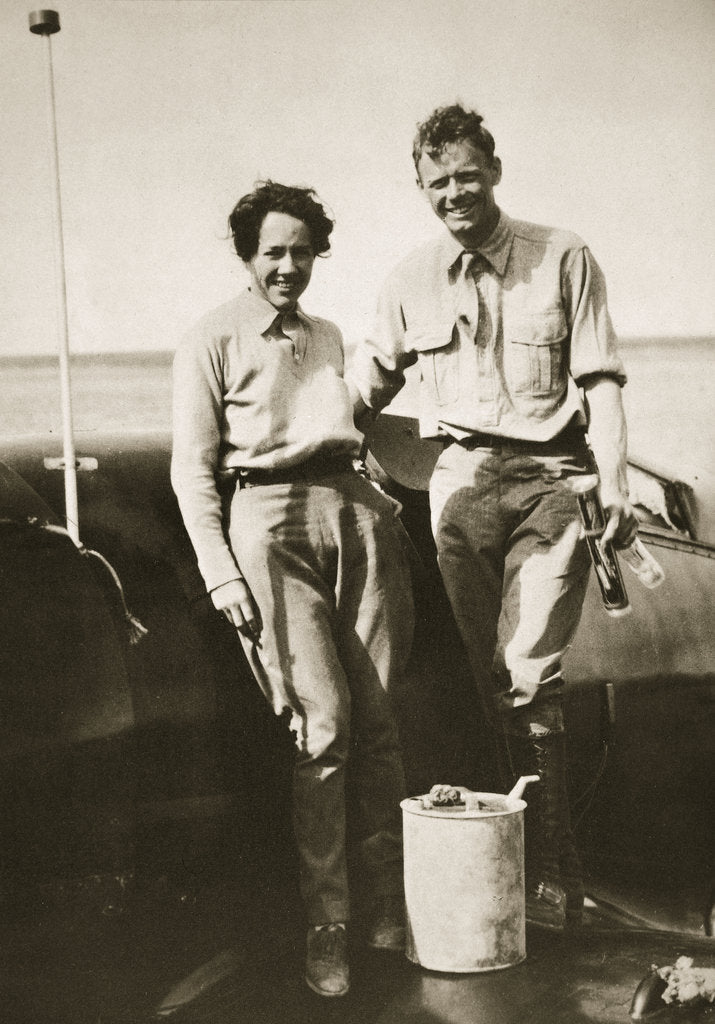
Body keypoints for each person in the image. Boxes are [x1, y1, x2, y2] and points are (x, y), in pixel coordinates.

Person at [348, 104, 638, 932]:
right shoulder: (408, 280)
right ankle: (513, 857)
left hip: (553, 481)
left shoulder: (561, 255)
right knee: (490, 685)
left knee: (525, 669)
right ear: (420, 189)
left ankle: (556, 874)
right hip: (460, 488)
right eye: (436, 182)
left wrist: (611, 476)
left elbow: (601, 379)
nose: (453, 193)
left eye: (466, 175)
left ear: (495, 172)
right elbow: (367, 383)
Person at [171, 181, 413, 997]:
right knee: (323, 728)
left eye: (301, 251)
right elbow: (192, 471)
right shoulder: (209, 339)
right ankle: (328, 927)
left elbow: (345, 424)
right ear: (247, 256)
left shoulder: (332, 335)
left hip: (354, 515)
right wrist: (219, 572)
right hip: (266, 525)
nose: (288, 266)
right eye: (273, 251)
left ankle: (388, 907)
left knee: (379, 722)